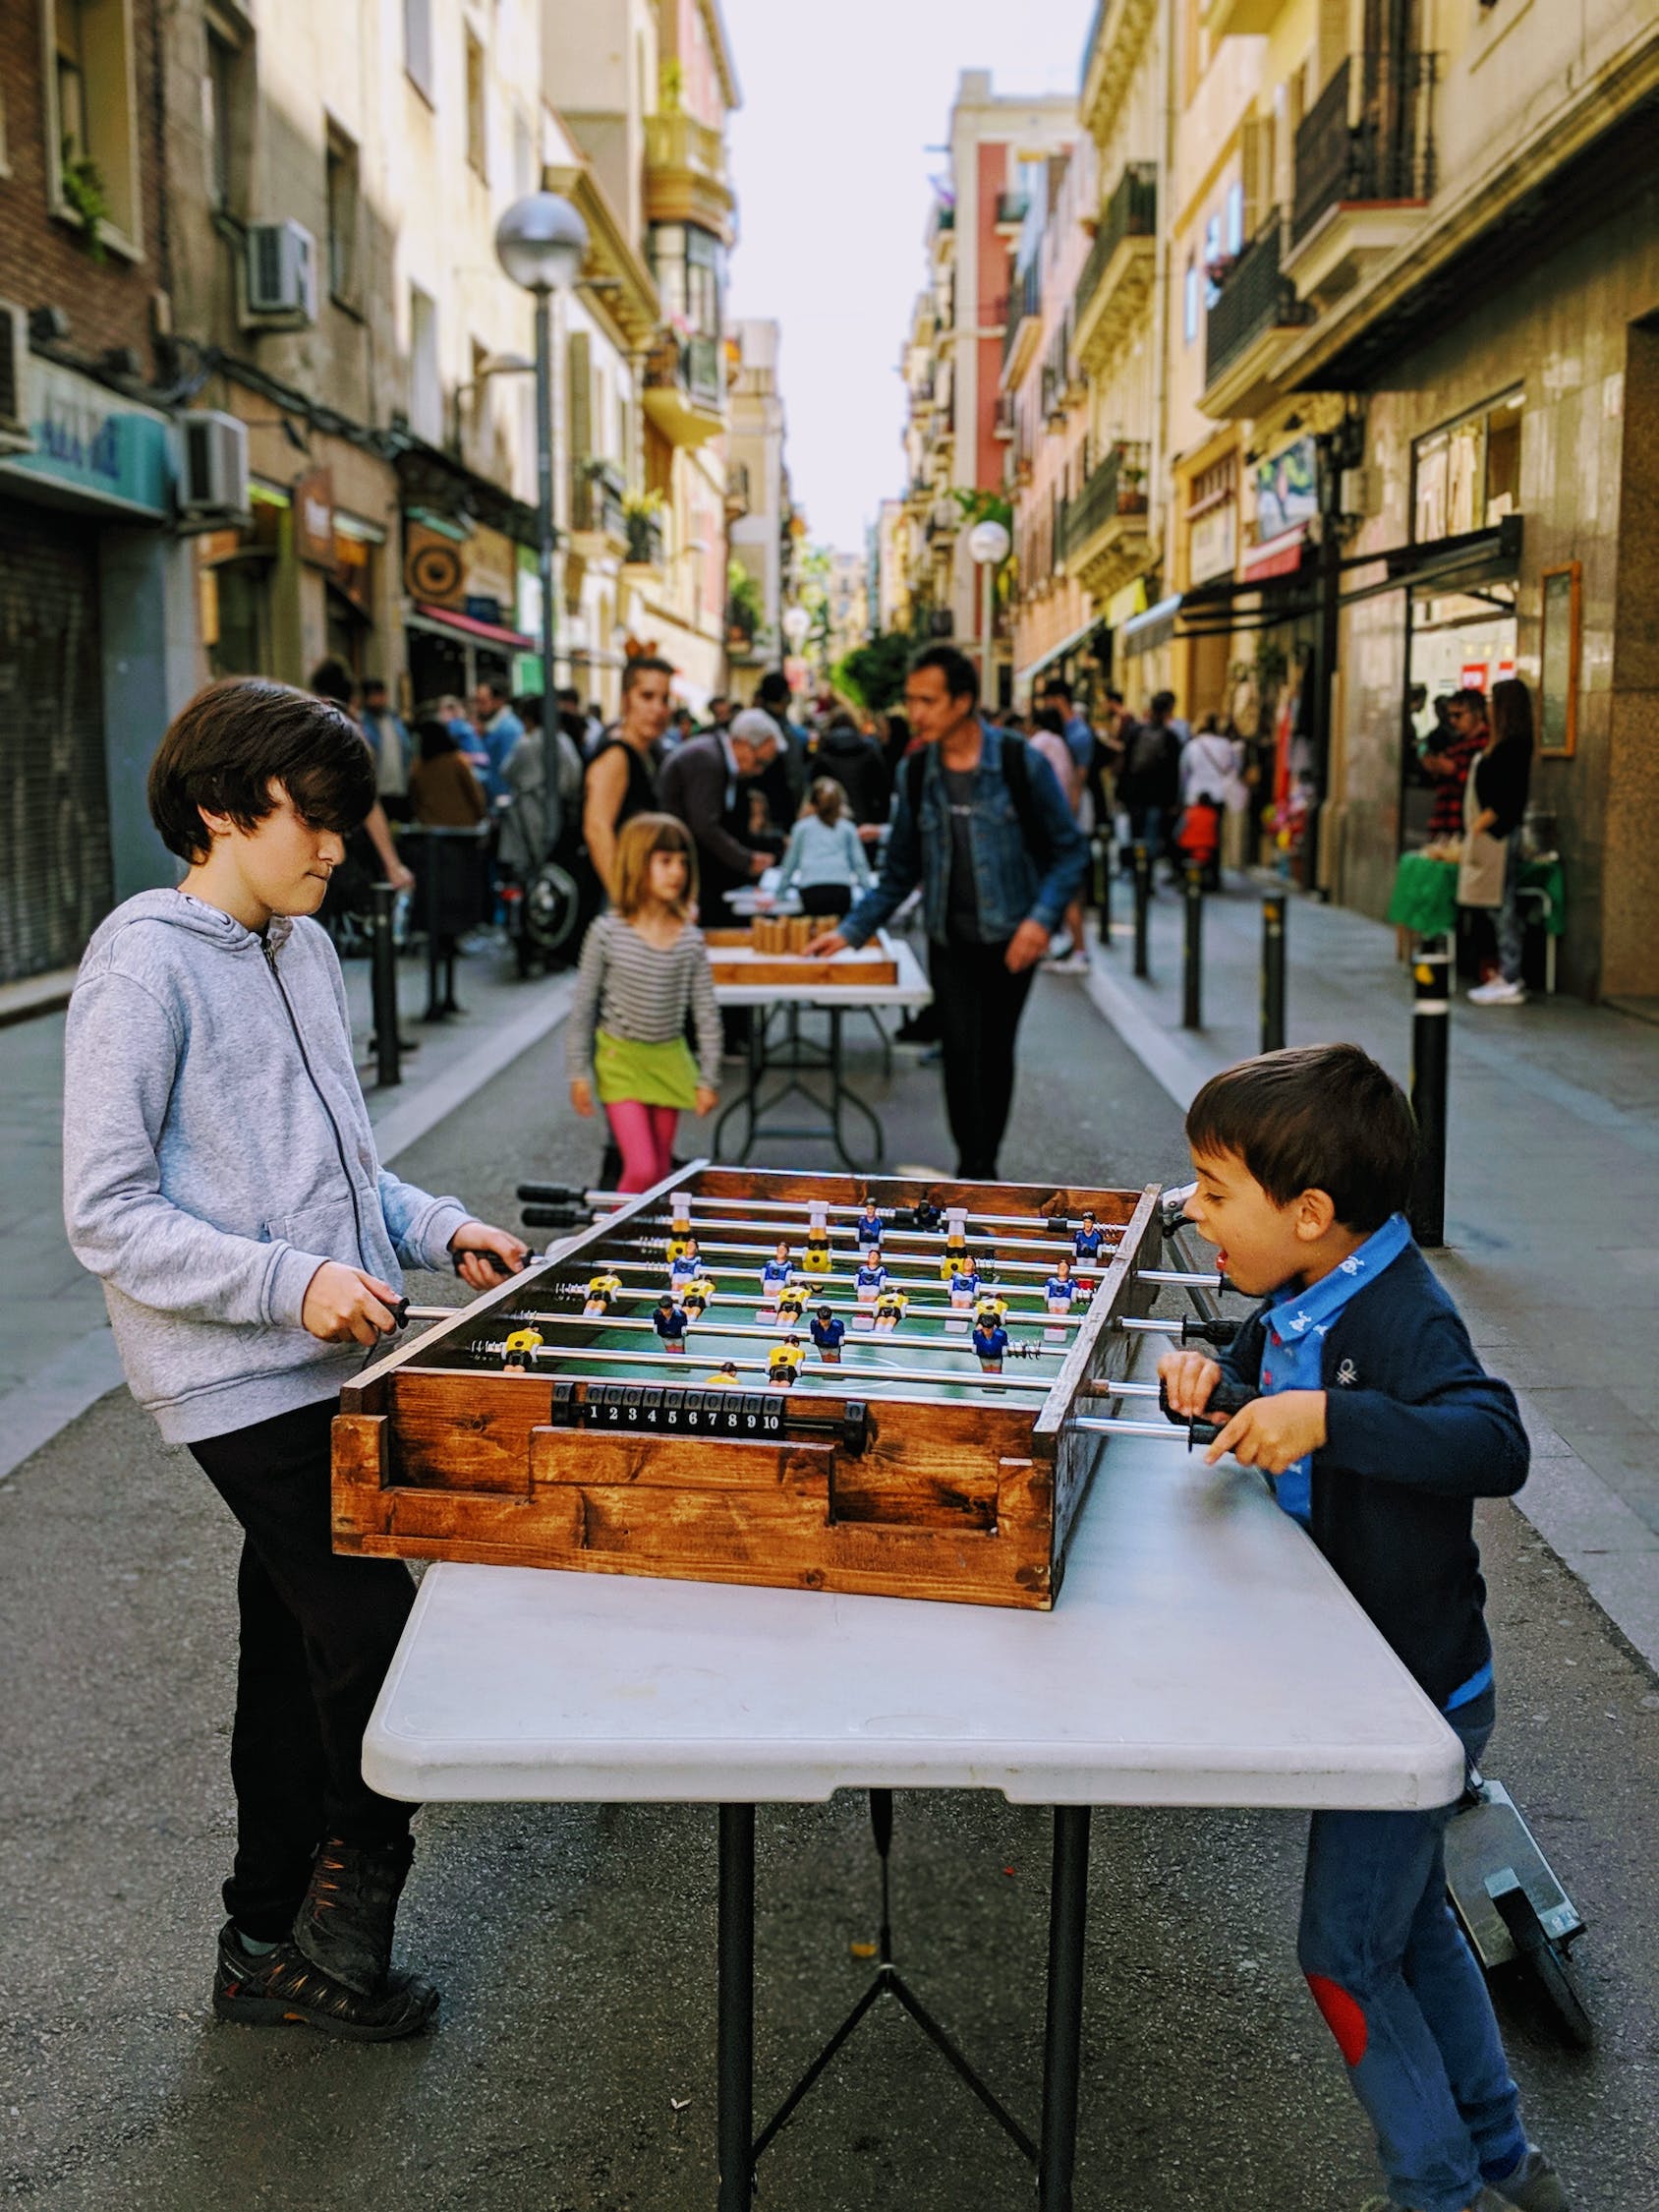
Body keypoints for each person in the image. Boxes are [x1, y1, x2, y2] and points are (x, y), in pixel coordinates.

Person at [61, 677, 529, 2041]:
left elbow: (346, 1167)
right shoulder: (142, 963)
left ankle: (264, 1933)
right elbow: (106, 1210)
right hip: (233, 1374)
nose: (337, 844)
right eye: (310, 818)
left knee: (292, 1650)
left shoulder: (301, 945)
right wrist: (292, 1280)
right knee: (380, 1639)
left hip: (328, 1353)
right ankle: (334, 1929)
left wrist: (441, 1229)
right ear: (220, 811)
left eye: (345, 818)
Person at [1159, 1044, 1565, 2212]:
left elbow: (1493, 1441)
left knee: (1342, 1958)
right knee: (1410, 1926)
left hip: (1411, 1701)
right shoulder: (1295, 1291)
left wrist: (1328, 1418)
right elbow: (1253, 1383)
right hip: (1351, 1684)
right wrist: (1204, 1382)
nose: (1193, 1208)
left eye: (1212, 1189)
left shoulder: (1398, 1316)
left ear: (1310, 1213)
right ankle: (1499, 2154)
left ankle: (1434, 2188)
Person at [809, 645, 1087, 1181]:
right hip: (949, 942)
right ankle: (974, 1169)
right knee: (959, 1055)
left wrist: (1040, 920)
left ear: (963, 700)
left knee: (993, 1051)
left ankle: (983, 1163)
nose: (916, 712)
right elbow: (899, 871)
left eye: (927, 700)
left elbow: (1069, 849)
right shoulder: (916, 772)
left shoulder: (1016, 762)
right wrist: (851, 931)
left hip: (1012, 937)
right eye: (911, 700)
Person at [565, 814, 720, 1194]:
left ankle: (649, 1247)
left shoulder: (689, 940)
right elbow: (583, 1006)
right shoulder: (607, 933)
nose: (677, 872)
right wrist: (578, 1072)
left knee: (662, 1170)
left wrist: (708, 1077)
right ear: (637, 864)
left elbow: (706, 1013)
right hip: (620, 1062)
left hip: (669, 1060)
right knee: (641, 1166)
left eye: (683, 862)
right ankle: (614, 1244)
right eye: (665, 861)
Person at [658, 706, 780, 927]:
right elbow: (704, 825)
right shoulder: (708, 760)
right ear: (742, 744)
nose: (758, 771)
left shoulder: (713, 756)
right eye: (758, 762)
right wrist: (745, 860)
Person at [1461, 677, 1535, 1008]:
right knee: (1496, 905)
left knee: (1503, 906)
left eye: (1494, 700)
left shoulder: (1513, 746)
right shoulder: (1502, 744)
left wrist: (1480, 824)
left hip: (1499, 835)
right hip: (1492, 835)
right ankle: (1506, 973)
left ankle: (1510, 975)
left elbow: (1507, 798)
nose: (1488, 706)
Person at [583, 656, 671, 900]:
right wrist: (624, 901)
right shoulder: (617, 755)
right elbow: (597, 829)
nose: (658, 709)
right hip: (607, 896)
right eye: (647, 696)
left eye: (665, 699)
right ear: (625, 701)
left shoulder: (649, 754)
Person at [1029, 706, 1090, 972]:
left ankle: (1078, 950)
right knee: (1065, 889)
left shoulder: (1041, 743)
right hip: (1061, 822)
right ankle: (1070, 945)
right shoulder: (1061, 745)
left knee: (1061, 891)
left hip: (1046, 827)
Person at [772, 778, 875, 920]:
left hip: (811, 889)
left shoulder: (801, 828)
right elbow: (859, 864)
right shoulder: (848, 828)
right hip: (841, 888)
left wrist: (779, 894)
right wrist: (869, 894)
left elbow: (790, 863)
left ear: (811, 803)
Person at [1118, 694, 1185, 880]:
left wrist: (1121, 794)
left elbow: (1125, 765)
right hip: (1157, 796)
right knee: (1151, 838)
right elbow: (1174, 773)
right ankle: (1145, 879)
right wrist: (1173, 801)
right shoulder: (1171, 737)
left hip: (1134, 794)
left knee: (1135, 835)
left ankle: (1135, 873)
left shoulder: (1135, 732)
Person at [1421, 688, 1489, 844]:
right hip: (1446, 825)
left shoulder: (1486, 745)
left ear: (1477, 714)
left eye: (1458, 715)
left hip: (1470, 827)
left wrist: (1453, 770)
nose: (1452, 721)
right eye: (1450, 715)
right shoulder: (1456, 744)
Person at [811, 708, 891, 832]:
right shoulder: (869, 751)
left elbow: (814, 789)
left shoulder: (823, 754)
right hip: (865, 822)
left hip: (832, 822)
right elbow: (883, 789)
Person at [360, 677, 412, 823]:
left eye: (382, 695)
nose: (380, 699)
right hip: (378, 790)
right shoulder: (363, 722)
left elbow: (406, 750)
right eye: (375, 695)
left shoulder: (394, 720)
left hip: (399, 787)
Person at [472, 677, 525, 804]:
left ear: (499, 701)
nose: (478, 707)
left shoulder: (509, 729)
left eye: (482, 702)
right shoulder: (494, 727)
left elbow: (506, 772)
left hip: (503, 800)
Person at [1039, 674, 1096, 784]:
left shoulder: (1079, 733)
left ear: (1060, 699)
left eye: (1048, 699)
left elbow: (1081, 772)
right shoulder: (1059, 727)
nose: (1045, 704)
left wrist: (1073, 799)